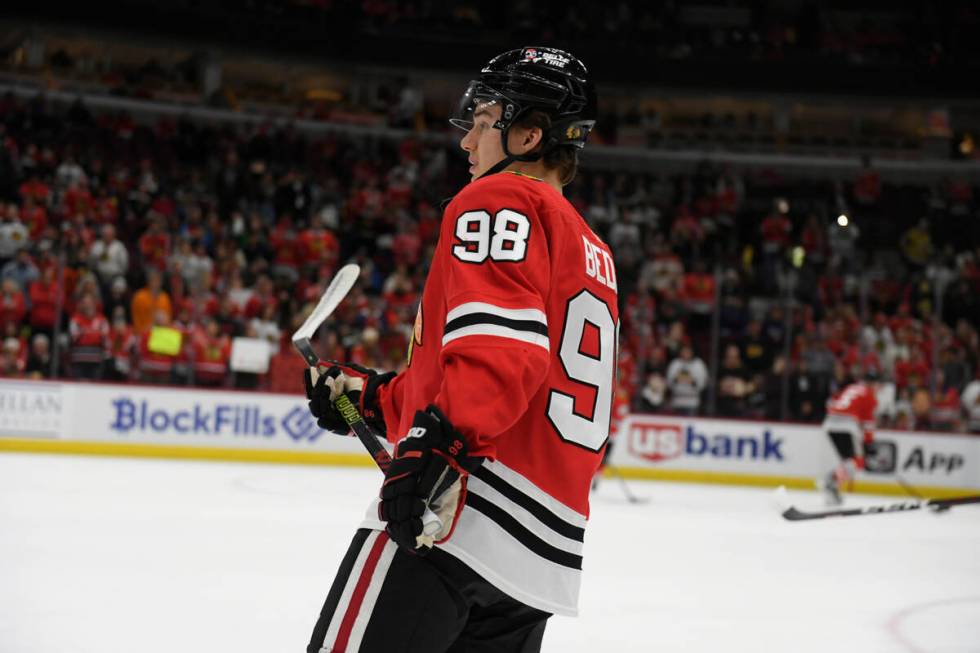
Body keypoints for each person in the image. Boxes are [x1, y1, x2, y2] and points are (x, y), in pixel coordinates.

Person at [304, 46, 613, 653]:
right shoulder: (591, 247)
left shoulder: (500, 199)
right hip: (537, 562)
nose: (467, 141)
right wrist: (371, 401)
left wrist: (435, 446)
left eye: (481, 121)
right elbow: (517, 369)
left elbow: (500, 354)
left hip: (458, 514)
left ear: (529, 134)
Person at [818, 372, 879, 505]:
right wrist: (869, 443)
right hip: (846, 425)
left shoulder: (851, 387)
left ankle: (832, 490)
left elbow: (832, 401)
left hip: (829, 422)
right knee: (857, 462)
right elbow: (868, 424)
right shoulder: (870, 395)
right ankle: (831, 480)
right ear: (873, 384)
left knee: (848, 461)